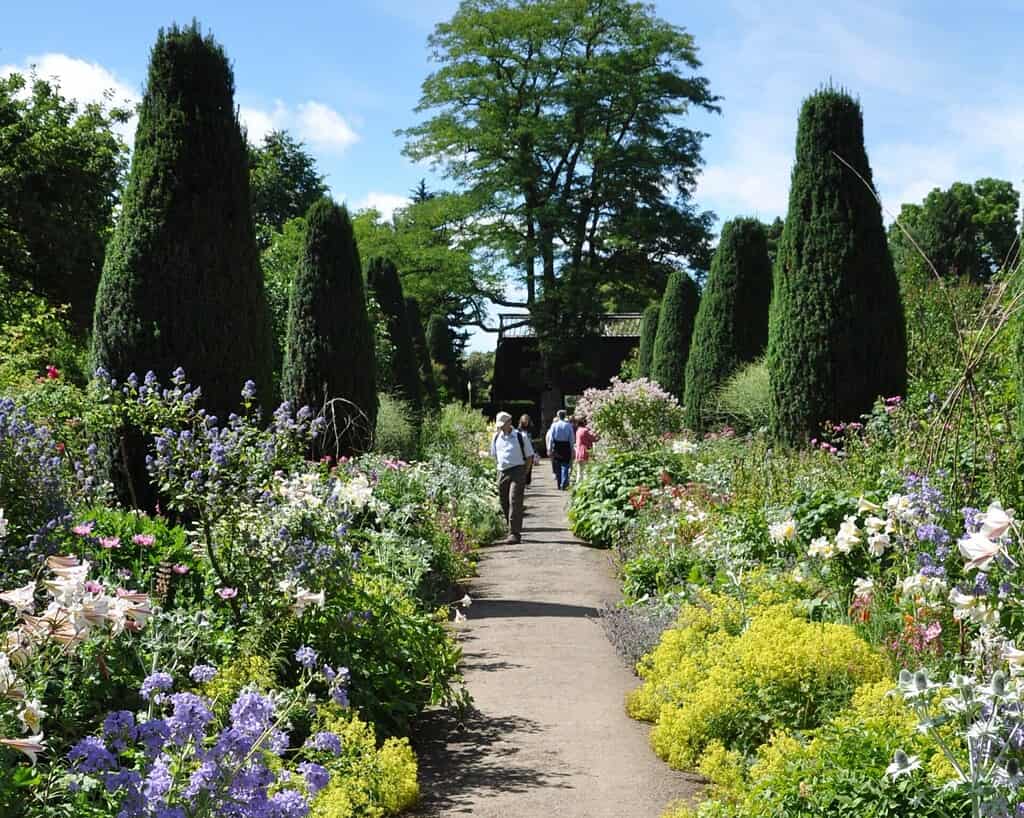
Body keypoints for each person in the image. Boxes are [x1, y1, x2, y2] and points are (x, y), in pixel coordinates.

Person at [489, 411, 537, 544]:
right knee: (503, 501)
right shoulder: (496, 437)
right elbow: (494, 455)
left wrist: (525, 472)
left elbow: (529, 456)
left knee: (515, 500)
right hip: (502, 471)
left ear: (509, 422)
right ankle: (510, 527)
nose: (500, 427)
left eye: (502, 424)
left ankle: (514, 533)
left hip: (517, 470)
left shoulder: (520, 436)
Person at [546, 409, 575, 490]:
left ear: (558, 416)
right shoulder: (568, 425)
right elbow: (571, 438)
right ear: (565, 416)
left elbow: (551, 438)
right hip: (566, 446)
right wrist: (572, 447)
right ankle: (564, 483)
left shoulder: (554, 425)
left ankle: (559, 484)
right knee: (565, 465)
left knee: (557, 466)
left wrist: (549, 448)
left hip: (557, 446)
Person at [574, 415, 598, 484]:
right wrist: (597, 435)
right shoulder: (585, 430)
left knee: (579, 471)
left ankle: (577, 486)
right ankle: (585, 485)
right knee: (586, 471)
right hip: (585, 451)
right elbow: (593, 439)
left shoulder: (578, 430)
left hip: (578, 452)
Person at [518, 414, 534, 486]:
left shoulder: (531, 428)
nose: (526, 421)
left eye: (527, 419)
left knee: (530, 465)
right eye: (524, 420)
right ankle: (523, 480)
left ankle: (527, 481)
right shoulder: (519, 429)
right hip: (522, 448)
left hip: (530, 447)